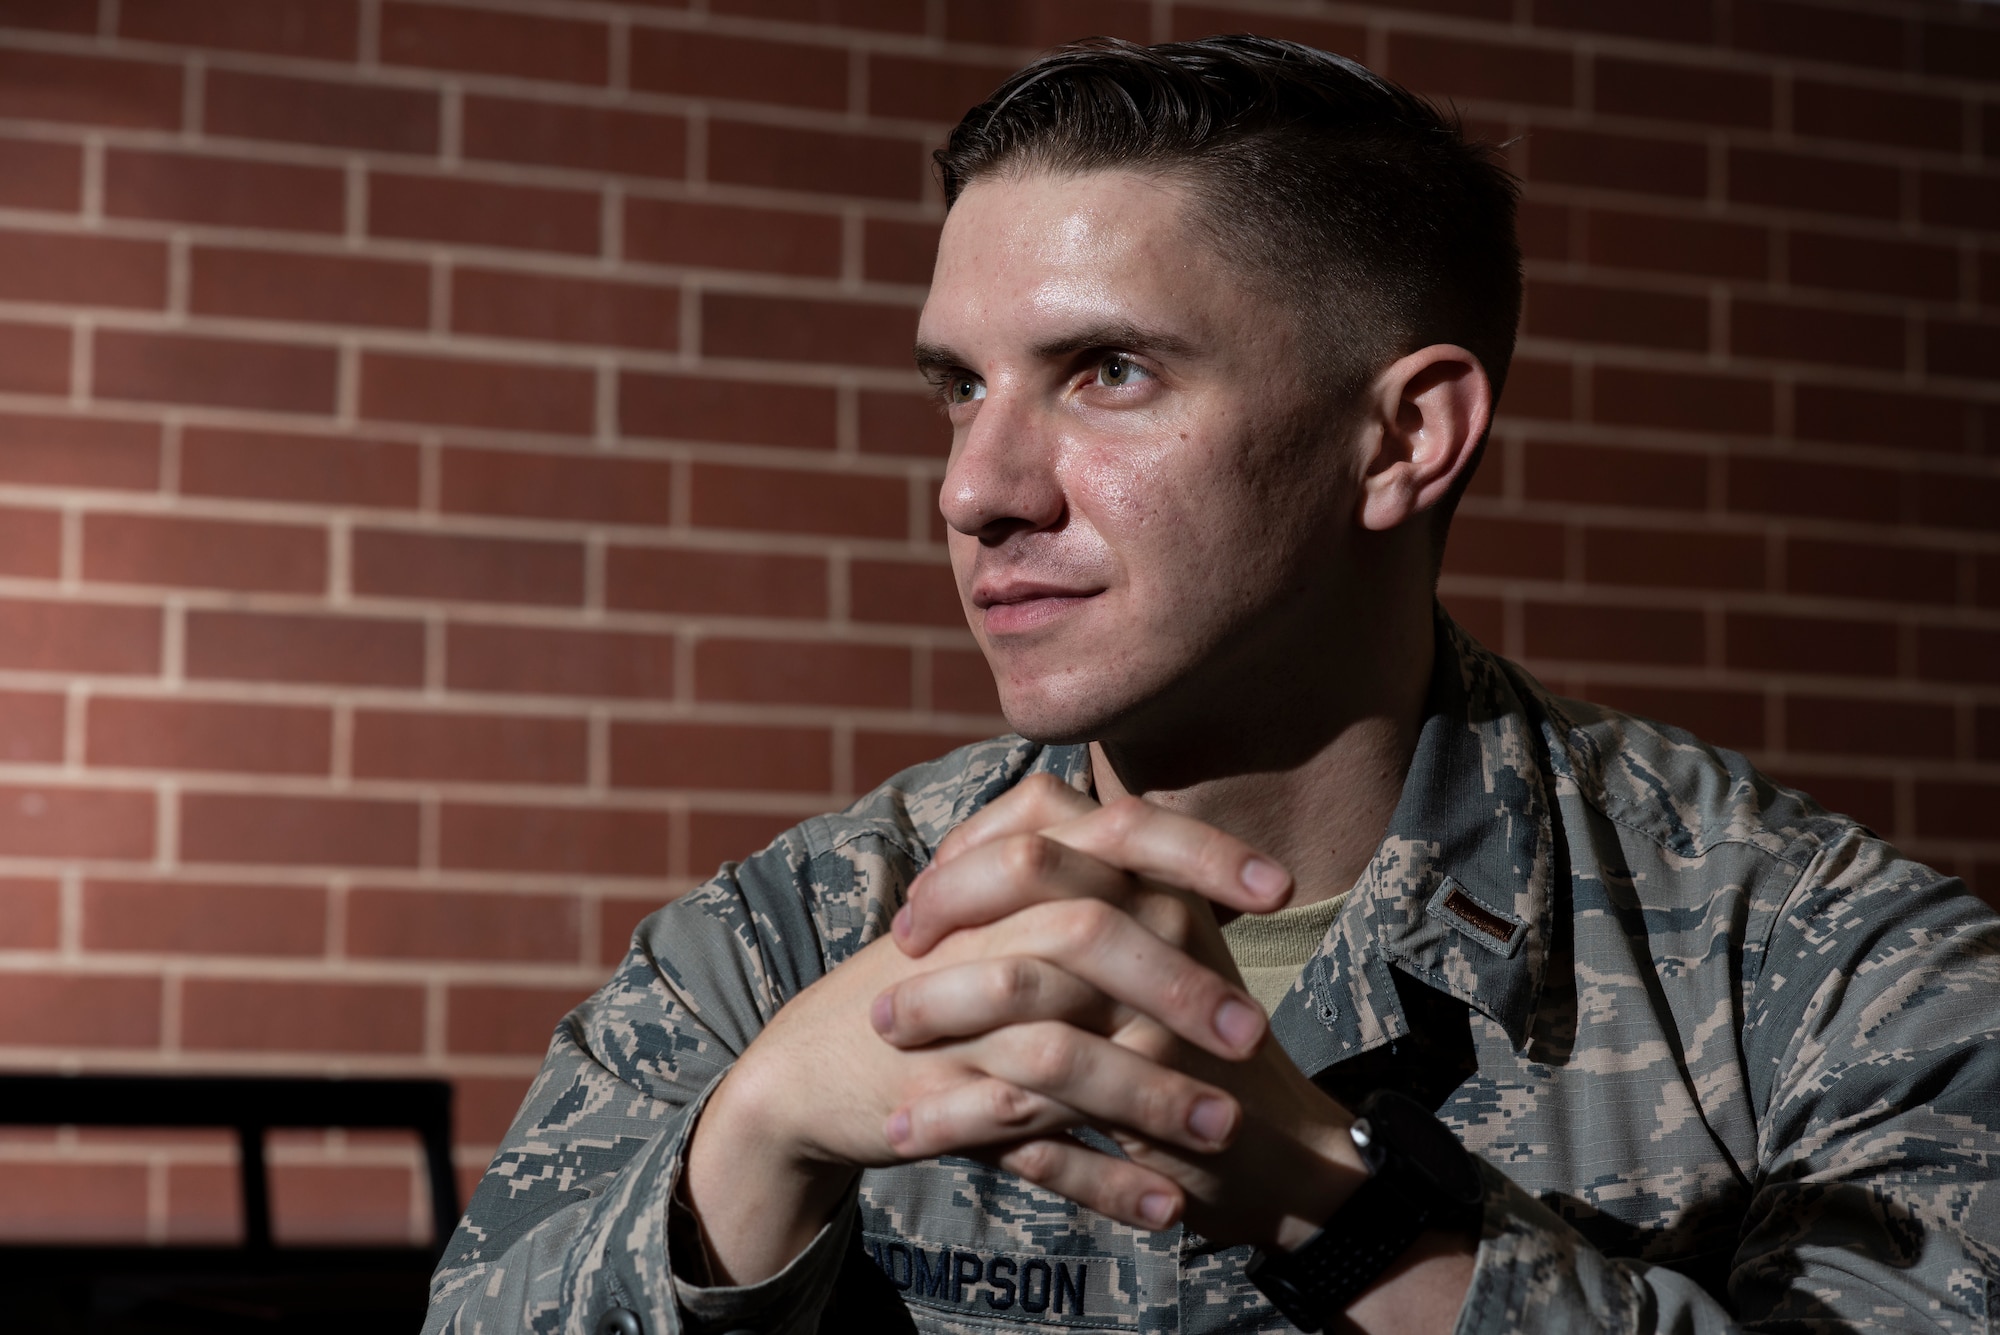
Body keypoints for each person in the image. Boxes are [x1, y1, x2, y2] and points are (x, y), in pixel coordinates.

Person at [425, 36, 2000, 1335]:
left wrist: (1349, 1223)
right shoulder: (800, 937)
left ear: (1404, 440)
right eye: (960, 387)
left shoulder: (1820, 976)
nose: (977, 489)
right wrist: (747, 1158)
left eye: (1106, 373)